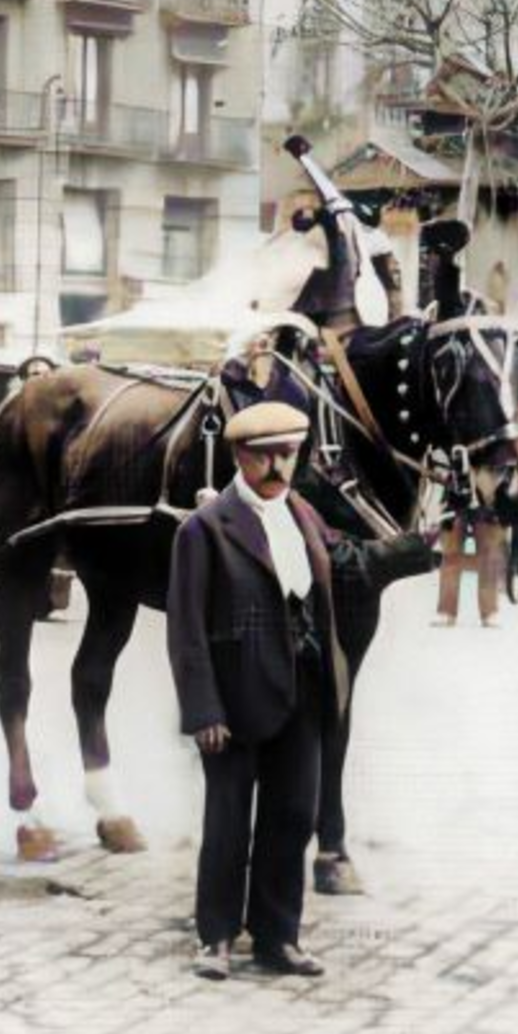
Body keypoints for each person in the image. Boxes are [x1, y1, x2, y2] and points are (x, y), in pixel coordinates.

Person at [167, 401, 348, 981]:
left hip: (304, 692)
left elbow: (351, 566)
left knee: (293, 814)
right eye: (262, 454)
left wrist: (422, 546)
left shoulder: (303, 514)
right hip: (235, 698)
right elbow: (186, 627)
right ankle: (216, 936)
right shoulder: (205, 528)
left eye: (286, 454)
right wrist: (202, 708)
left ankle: (277, 936)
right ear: (238, 454)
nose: (275, 466)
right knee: (227, 822)